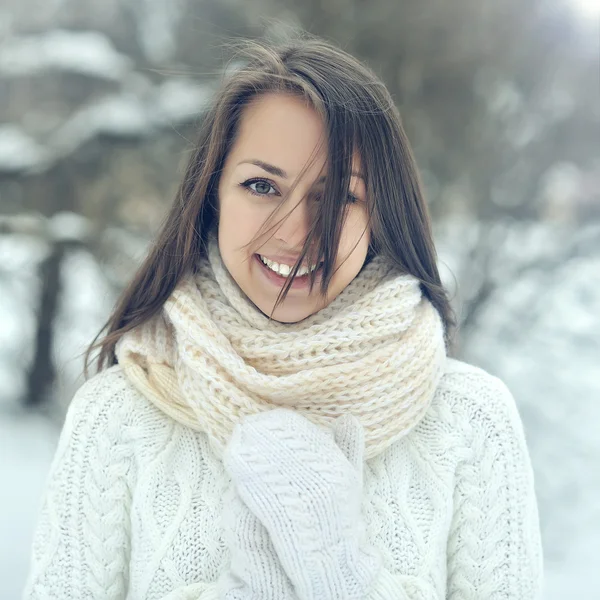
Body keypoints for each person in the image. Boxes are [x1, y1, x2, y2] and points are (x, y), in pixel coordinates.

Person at [22, 34, 543, 600]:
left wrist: (341, 577)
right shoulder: (117, 416)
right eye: (262, 186)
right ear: (212, 195)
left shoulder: (470, 421)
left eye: (340, 196)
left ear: (381, 214)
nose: (295, 233)